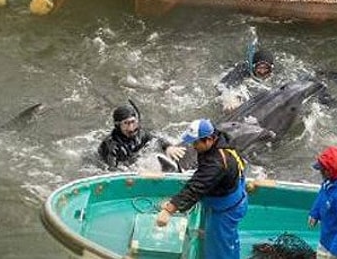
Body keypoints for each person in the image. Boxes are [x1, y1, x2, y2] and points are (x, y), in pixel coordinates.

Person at [155, 119, 248, 259]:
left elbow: (196, 187)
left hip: (226, 210)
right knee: (229, 241)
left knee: (220, 249)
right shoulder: (220, 138)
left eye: (196, 142)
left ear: (209, 139)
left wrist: (169, 209)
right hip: (231, 193)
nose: (193, 146)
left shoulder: (216, 163)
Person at [97, 104, 186, 168]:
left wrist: (168, 147)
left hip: (132, 158)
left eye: (133, 122)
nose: (131, 128)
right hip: (115, 164)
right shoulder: (111, 146)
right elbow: (112, 171)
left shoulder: (140, 133)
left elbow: (156, 139)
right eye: (126, 124)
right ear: (117, 125)